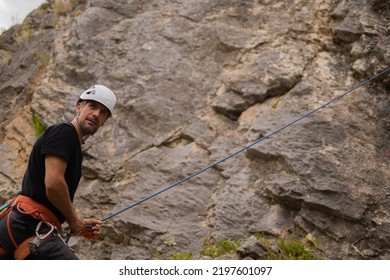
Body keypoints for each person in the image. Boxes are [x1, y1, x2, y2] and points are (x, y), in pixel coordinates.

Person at [0, 85, 117, 260]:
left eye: (103, 113)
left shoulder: (72, 144)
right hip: (27, 225)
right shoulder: (64, 132)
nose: (96, 114)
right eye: (92, 106)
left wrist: (79, 222)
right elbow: (54, 184)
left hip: (22, 226)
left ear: (104, 122)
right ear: (79, 107)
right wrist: (73, 220)